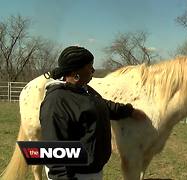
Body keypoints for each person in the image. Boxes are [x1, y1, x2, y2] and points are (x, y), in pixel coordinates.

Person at [40, 46, 145, 180]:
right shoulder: (56, 102)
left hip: (92, 171)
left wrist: (129, 111)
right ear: (75, 73)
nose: (93, 70)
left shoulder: (83, 90)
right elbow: (54, 149)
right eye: (89, 67)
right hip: (75, 175)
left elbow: (101, 105)